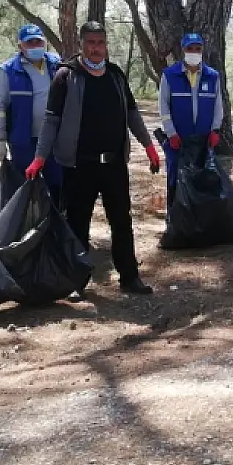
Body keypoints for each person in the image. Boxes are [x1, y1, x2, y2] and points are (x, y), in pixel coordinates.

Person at [29, 21, 160, 296]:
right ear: (81, 45)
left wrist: (149, 146)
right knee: (77, 223)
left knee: (122, 221)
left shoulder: (115, 75)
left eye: (100, 43)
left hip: (113, 164)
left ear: (106, 45)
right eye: (90, 43)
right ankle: (77, 282)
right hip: (79, 165)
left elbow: (133, 115)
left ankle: (129, 278)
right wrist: (40, 158)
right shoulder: (66, 76)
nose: (96, 48)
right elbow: (51, 121)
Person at [0, 24, 63, 205]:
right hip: (23, 141)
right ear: (20, 46)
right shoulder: (7, 71)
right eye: (29, 43)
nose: (34, 46)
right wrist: (0, 140)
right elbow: (0, 108)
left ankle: (57, 228)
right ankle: (28, 228)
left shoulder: (56, 65)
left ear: (44, 43)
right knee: (26, 188)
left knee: (58, 185)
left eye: (38, 41)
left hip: (54, 142)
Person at [159, 32, 224, 207]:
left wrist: (215, 130)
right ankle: (174, 220)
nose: (194, 52)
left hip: (203, 141)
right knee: (175, 180)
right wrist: (171, 133)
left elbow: (218, 106)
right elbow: (163, 107)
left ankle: (199, 223)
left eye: (198, 48)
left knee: (203, 182)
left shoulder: (212, 76)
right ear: (183, 50)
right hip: (178, 142)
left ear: (202, 50)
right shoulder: (170, 75)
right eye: (190, 48)